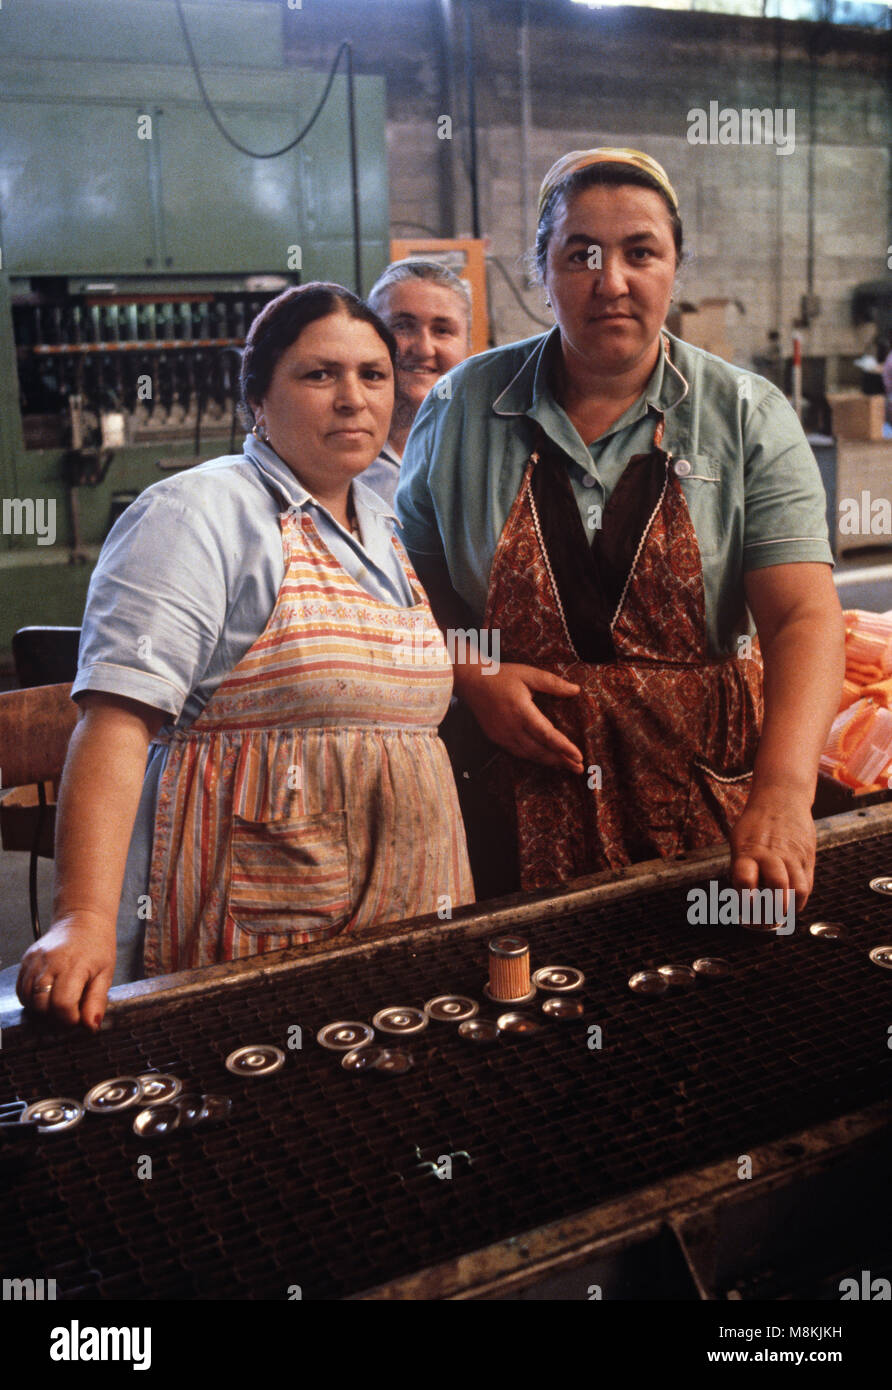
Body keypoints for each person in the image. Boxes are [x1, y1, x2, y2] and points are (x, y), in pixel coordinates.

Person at [396, 148, 845, 911]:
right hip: (509, 794)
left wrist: (784, 792)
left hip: (703, 799)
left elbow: (802, 616)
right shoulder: (462, 407)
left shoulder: (743, 413)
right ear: (543, 270)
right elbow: (408, 596)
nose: (612, 281)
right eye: (581, 255)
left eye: (641, 252)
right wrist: (474, 675)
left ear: (675, 267)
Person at [17, 283, 474, 1029]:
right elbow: (115, 725)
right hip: (260, 921)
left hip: (409, 900)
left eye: (372, 375)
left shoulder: (385, 521)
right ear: (256, 398)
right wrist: (84, 917)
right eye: (318, 374)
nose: (353, 398)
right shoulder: (198, 513)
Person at [360, 259, 472, 504]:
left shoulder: (489, 451)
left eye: (442, 330)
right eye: (402, 326)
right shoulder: (333, 455)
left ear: (468, 345)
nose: (424, 349)